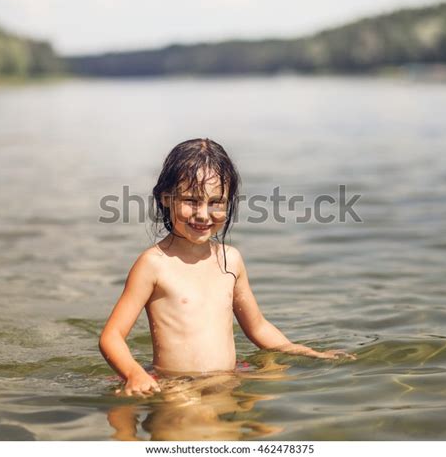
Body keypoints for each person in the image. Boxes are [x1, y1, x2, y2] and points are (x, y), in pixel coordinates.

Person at [99, 138, 356, 397]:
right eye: (190, 200)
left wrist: (307, 353)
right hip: (177, 387)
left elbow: (258, 328)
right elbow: (112, 337)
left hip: (229, 379)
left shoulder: (230, 260)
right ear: (166, 198)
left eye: (216, 202)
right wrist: (135, 374)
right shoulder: (154, 264)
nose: (203, 214)